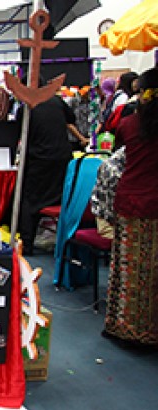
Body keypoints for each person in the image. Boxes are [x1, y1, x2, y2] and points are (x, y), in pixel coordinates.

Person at [103, 68, 158, 346]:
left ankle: (126, 327)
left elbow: (119, 154)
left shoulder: (129, 125)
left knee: (129, 267)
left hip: (132, 200)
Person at [15, 80, 76, 255]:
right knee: (63, 199)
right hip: (62, 159)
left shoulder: (26, 108)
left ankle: (26, 245)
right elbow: (71, 119)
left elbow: (19, 134)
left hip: (38, 160)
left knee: (29, 201)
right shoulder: (57, 101)